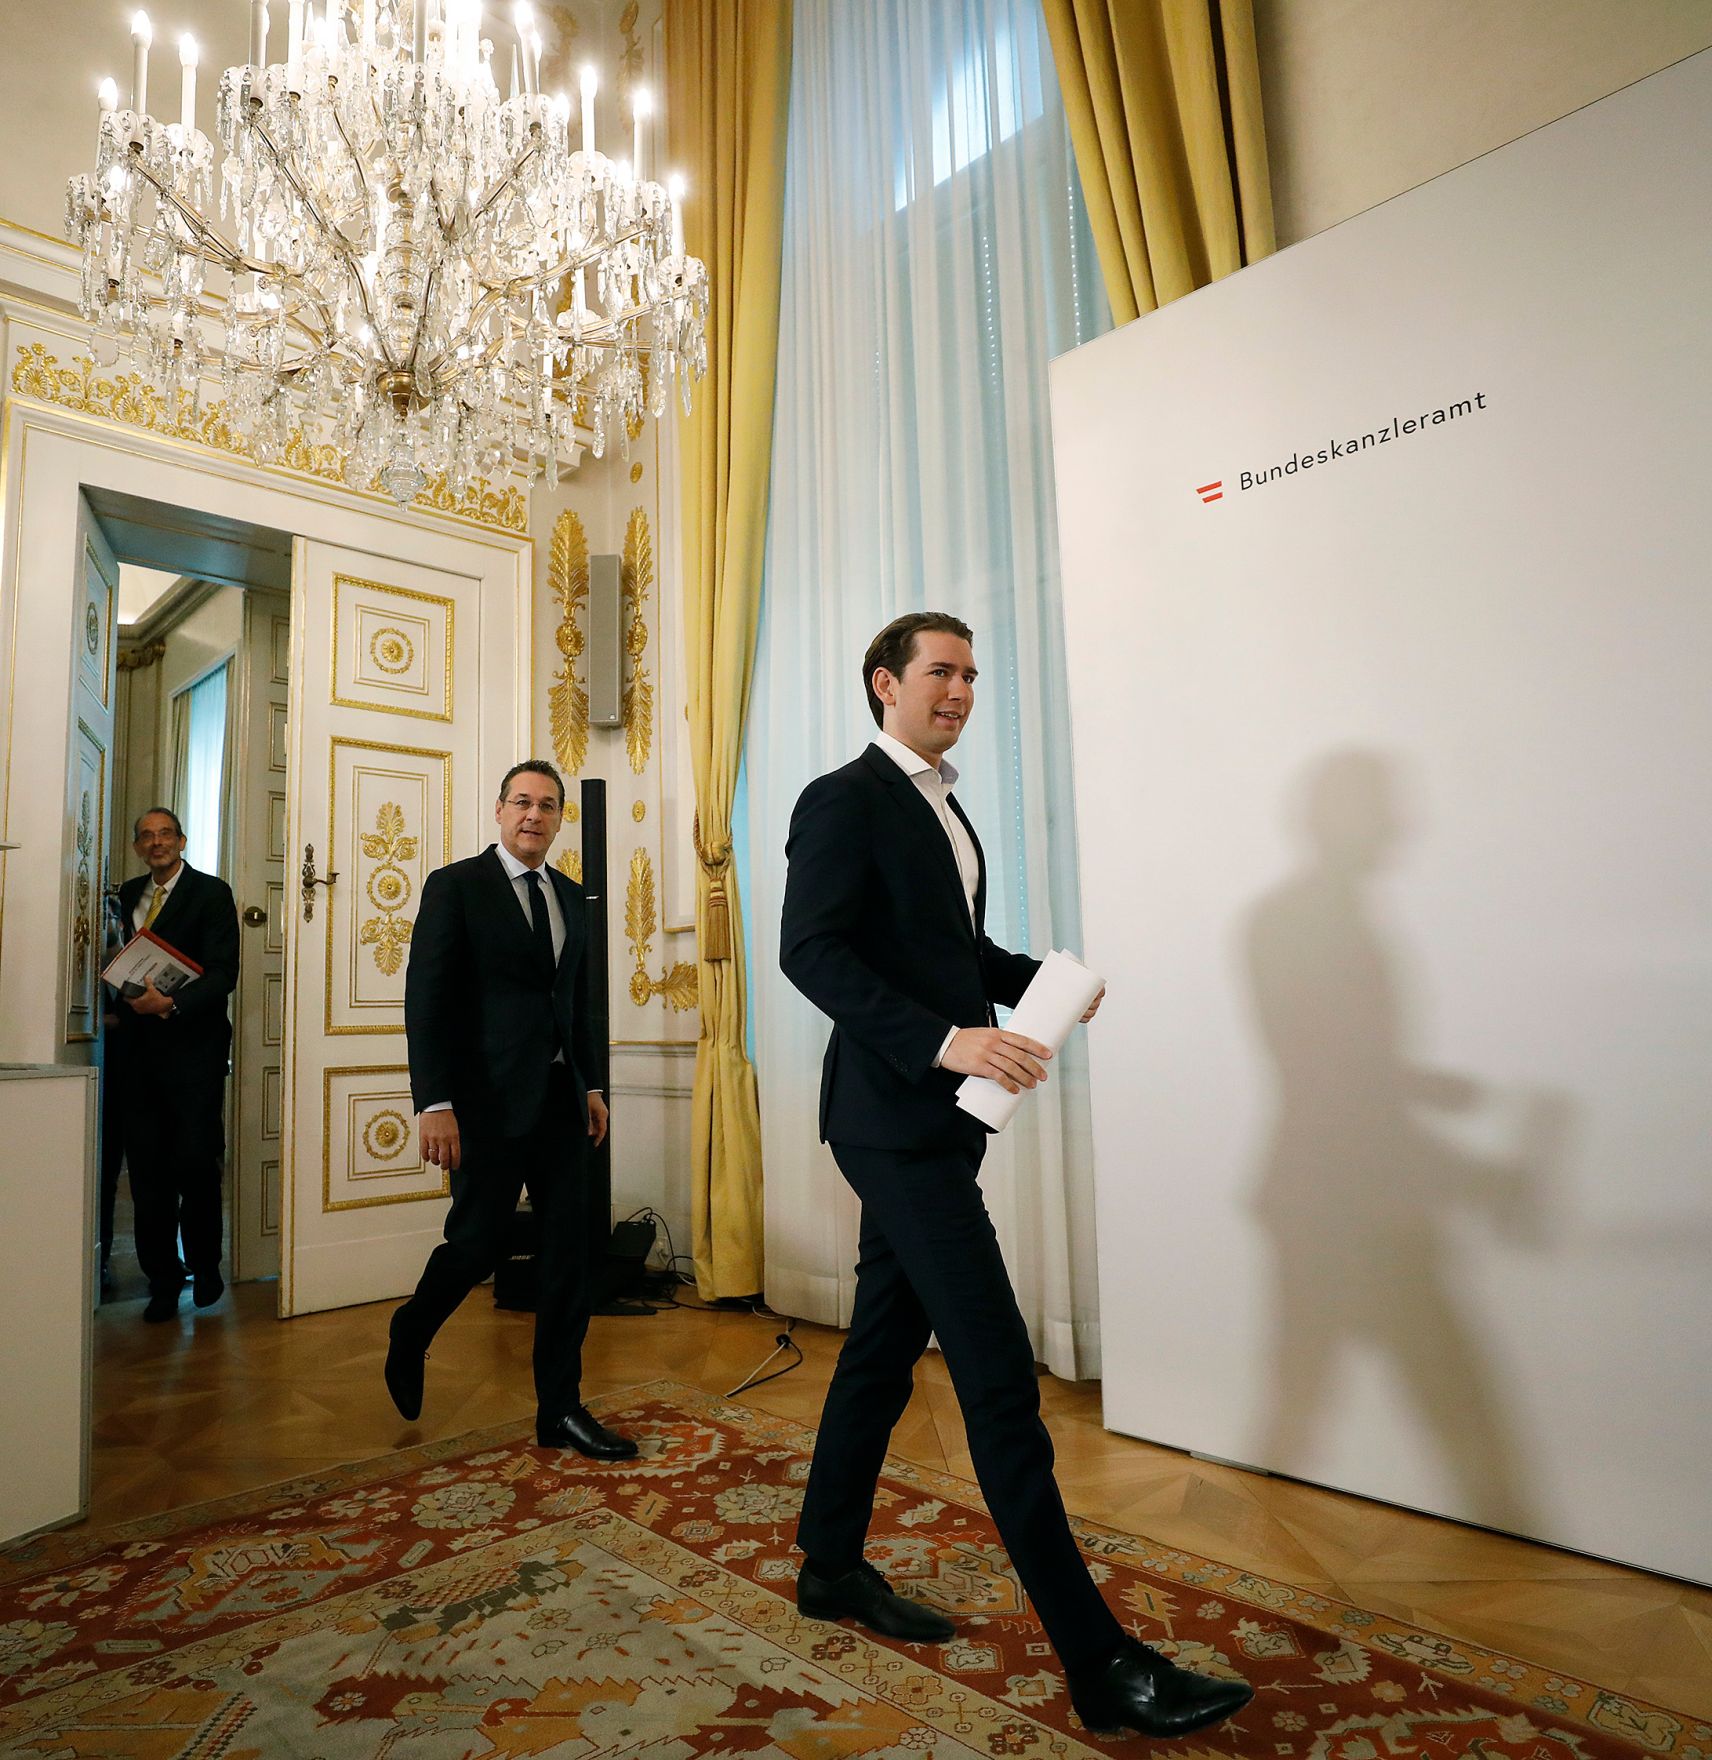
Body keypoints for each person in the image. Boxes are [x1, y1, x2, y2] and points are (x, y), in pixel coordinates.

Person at [779, 613, 1254, 1738]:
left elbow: (954, 954)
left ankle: (829, 1562)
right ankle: (1099, 1661)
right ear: (884, 682)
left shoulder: (943, 805)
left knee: (884, 1347)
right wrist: (945, 1041)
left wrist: (1048, 976)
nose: (960, 690)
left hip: (936, 1123)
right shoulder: (842, 796)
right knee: (995, 1377)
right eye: (939, 672)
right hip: (890, 1117)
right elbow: (811, 949)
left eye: (970, 675)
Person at [384, 759, 634, 1460]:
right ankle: (413, 1326)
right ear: (499, 811)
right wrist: (433, 1102)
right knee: (478, 1244)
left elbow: (575, 1004)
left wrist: (589, 1086)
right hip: (483, 1103)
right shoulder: (456, 887)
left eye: (547, 805)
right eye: (521, 802)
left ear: (559, 819)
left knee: (568, 1258)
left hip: (559, 1103)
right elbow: (426, 999)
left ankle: (561, 1409)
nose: (534, 815)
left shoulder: (572, 897)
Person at [112, 808, 239, 1324]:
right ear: (139, 847)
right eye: (147, 836)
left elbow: (223, 973)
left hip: (195, 1054)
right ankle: (163, 1280)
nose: (157, 842)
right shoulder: (122, 897)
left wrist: (172, 1004)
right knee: (147, 1174)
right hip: (137, 1059)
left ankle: (206, 1268)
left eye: (165, 834)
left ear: (181, 840)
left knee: (195, 1162)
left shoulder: (212, 893)